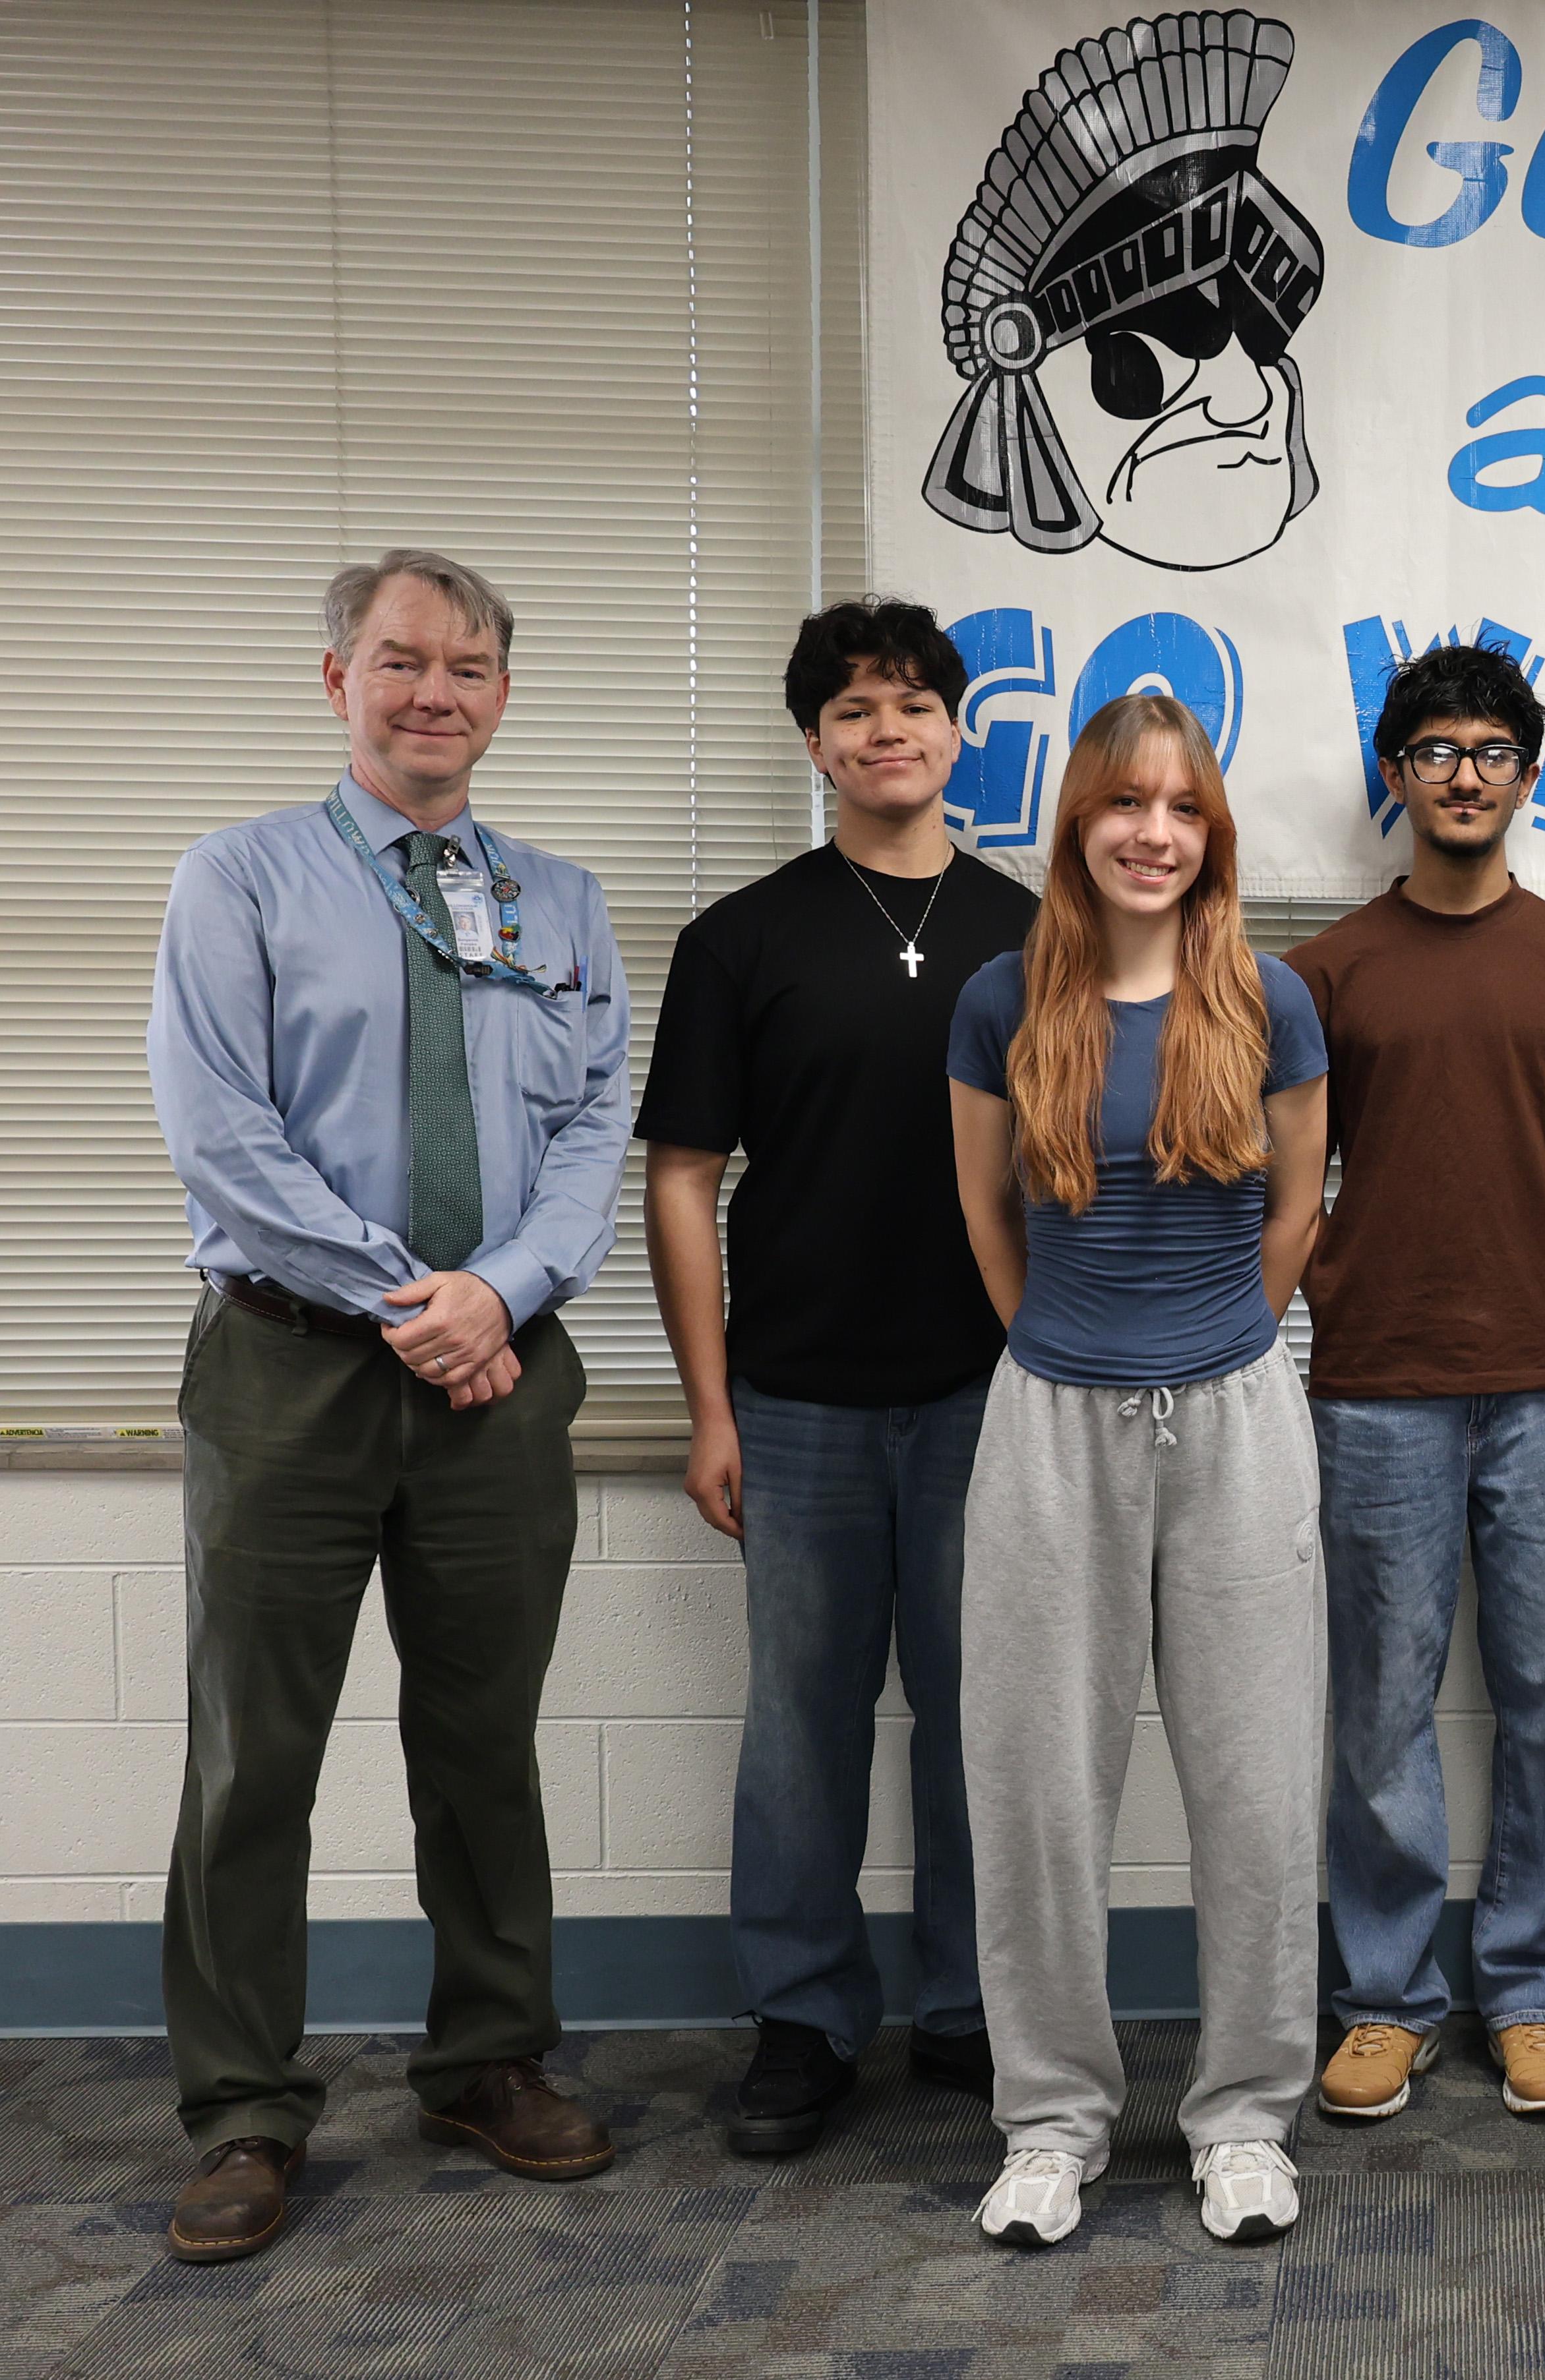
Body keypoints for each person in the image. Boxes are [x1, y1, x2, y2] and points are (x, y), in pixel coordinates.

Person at [144, 551, 633, 2263]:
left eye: (472, 666)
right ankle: (243, 2109)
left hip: (500, 1373)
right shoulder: (242, 879)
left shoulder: (560, 903)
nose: (437, 691)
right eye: (402, 660)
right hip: (292, 1365)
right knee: (248, 1756)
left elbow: (591, 1137)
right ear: (334, 677)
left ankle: (485, 2058)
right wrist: (411, 1300)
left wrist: (497, 1295)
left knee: (483, 1744)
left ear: (506, 694)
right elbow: (222, 1132)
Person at [639, 600, 1039, 2155]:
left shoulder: (1034, 928)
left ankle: (968, 2006)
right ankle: (803, 2015)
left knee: (977, 1711)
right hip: (797, 1399)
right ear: (814, 743)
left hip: (992, 1393)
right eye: (857, 710)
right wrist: (710, 1405)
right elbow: (683, 1176)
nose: (890, 730)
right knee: (801, 1716)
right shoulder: (741, 938)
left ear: (959, 732)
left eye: (916, 704)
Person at [945, 694, 1330, 2251]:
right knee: (1036, 1785)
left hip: (1236, 1416)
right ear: (1081, 823)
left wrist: (1209, 1342)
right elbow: (986, 1216)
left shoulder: (1273, 998)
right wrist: (1070, 1351)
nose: (1151, 833)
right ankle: (1051, 2118)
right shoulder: (998, 999)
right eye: (1123, 804)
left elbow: (1297, 1213)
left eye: (1180, 807)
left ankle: (1242, 2117)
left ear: (1210, 829)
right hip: (1049, 1421)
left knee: (1252, 1786)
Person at [1290, 643, 1545, 2126]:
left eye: (1492, 749)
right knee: (1379, 1707)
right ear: (1397, 772)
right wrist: (1333, 1271)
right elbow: (1284, 1169)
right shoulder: (1324, 971)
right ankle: (1384, 2000)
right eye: (1437, 748)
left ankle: (1531, 1988)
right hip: (1375, 1383)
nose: (1464, 772)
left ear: (1527, 771)